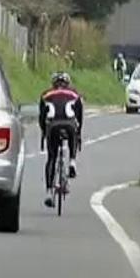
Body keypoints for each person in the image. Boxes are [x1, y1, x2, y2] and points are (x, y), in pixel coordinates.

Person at [39, 71, 84, 208]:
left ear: (53, 84)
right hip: (69, 125)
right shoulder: (75, 94)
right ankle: (72, 162)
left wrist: (43, 133)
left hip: (52, 126)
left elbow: (41, 117)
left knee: (51, 158)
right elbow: (79, 116)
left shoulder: (45, 95)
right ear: (67, 84)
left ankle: (48, 192)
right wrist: (79, 133)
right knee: (72, 132)